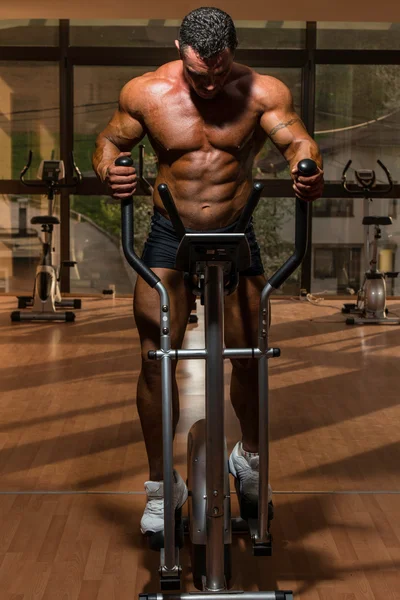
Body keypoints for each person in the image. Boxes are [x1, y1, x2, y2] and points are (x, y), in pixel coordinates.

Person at [93, 7, 324, 537]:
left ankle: (250, 458)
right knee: (156, 356)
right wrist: (111, 169)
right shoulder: (146, 93)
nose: (211, 84)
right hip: (169, 232)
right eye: (200, 75)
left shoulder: (262, 92)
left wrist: (305, 169)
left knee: (250, 356)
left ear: (233, 53)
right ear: (181, 50)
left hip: (235, 228)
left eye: (220, 72)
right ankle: (160, 487)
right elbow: (110, 143)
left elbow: (297, 141)